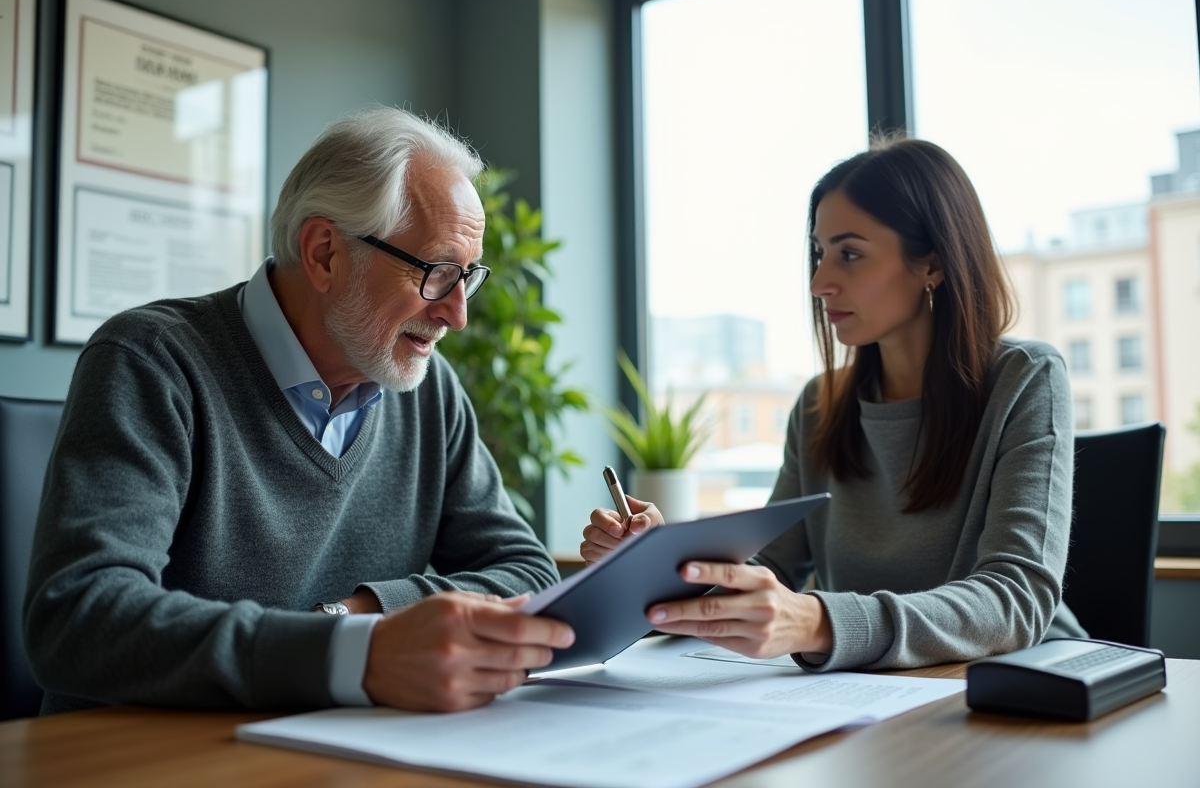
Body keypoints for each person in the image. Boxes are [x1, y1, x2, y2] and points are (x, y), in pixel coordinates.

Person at [24, 107, 574, 715]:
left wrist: (363, 612)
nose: (456, 314)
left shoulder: (430, 390)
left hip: (329, 749)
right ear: (325, 253)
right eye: (438, 273)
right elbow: (79, 616)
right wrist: (355, 654)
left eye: (467, 278)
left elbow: (526, 572)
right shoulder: (152, 360)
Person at [580, 137, 1085, 671]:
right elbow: (771, 570)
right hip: (872, 698)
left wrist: (818, 622)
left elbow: (1016, 600)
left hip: (1025, 687)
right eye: (820, 254)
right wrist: (663, 567)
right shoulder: (820, 404)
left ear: (932, 263)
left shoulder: (1026, 379)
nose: (820, 282)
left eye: (850, 254)